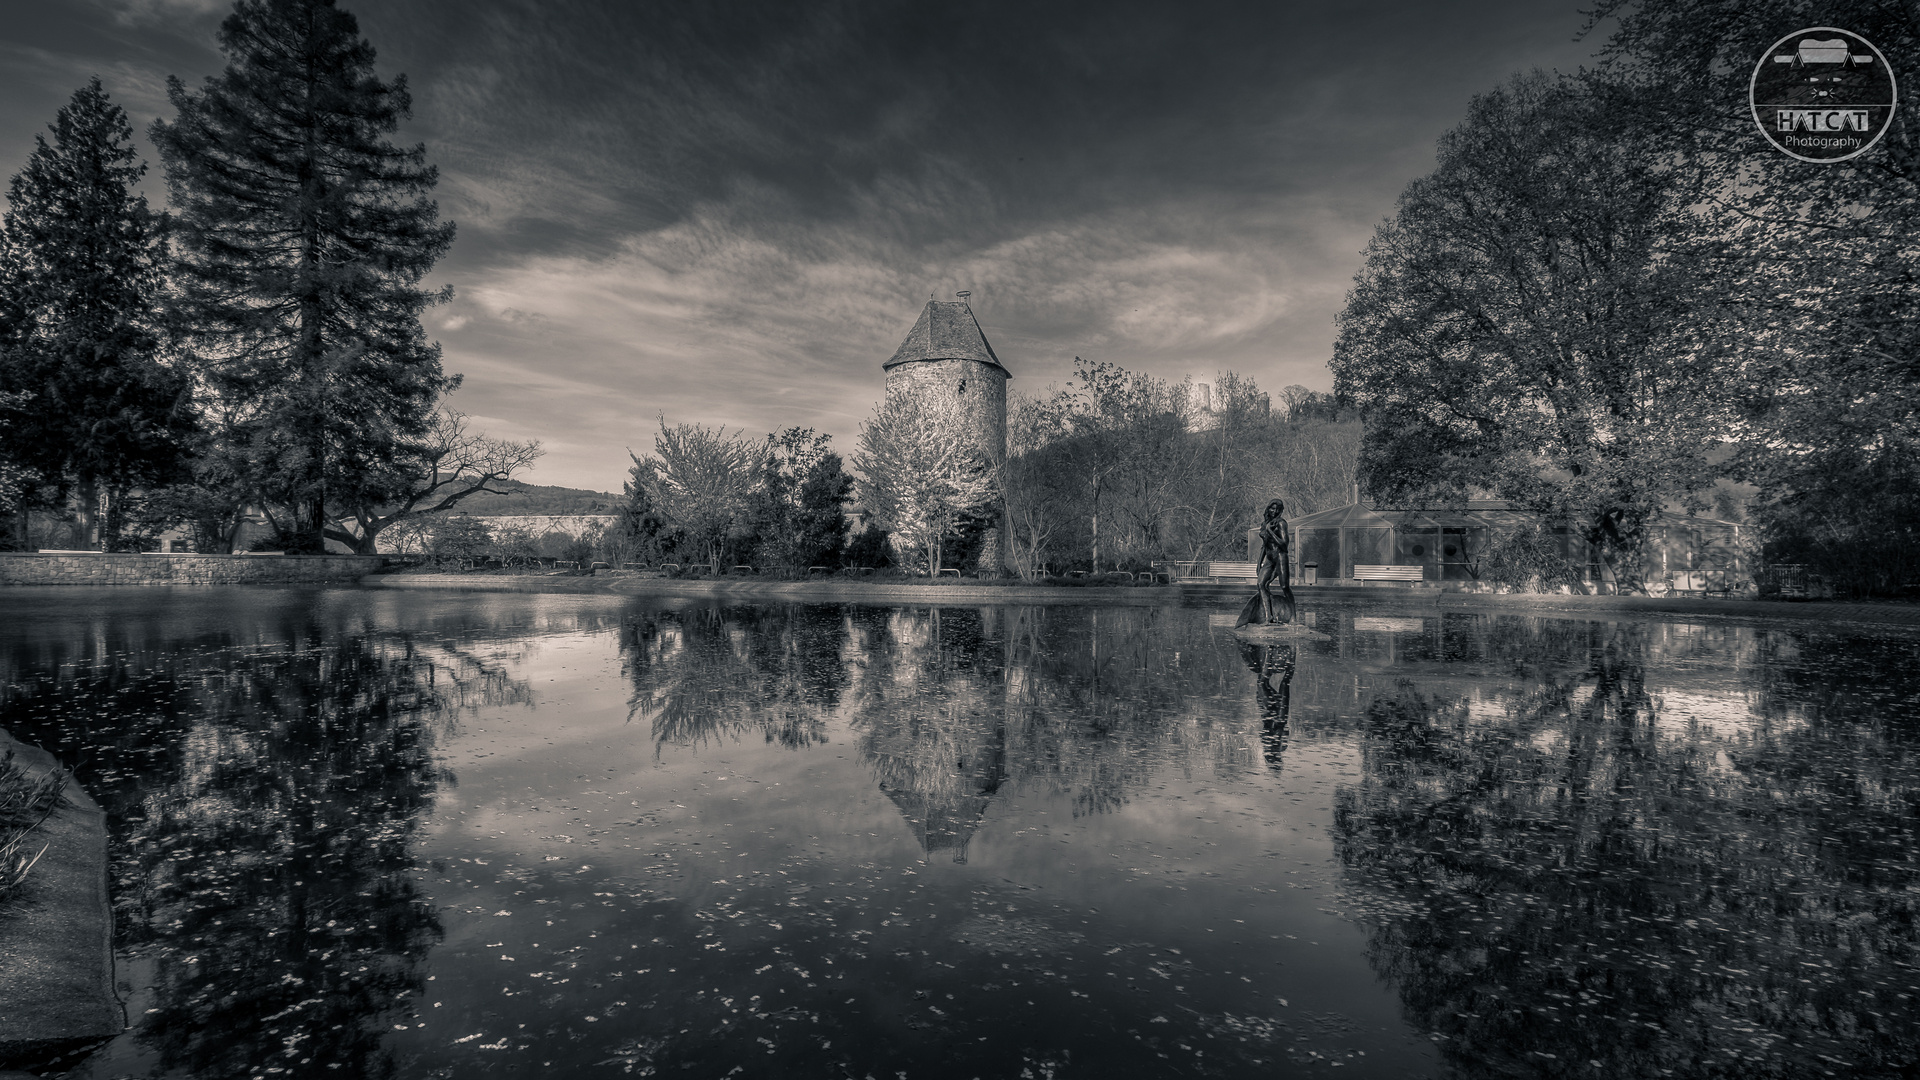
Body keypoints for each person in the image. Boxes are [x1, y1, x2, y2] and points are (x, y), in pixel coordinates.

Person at [1236, 499, 1295, 627]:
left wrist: (1270, 532)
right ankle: (1269, 617)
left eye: (1277, 509)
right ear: (1268, 508)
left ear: (1281, 511)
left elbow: (1284, 545)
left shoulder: (1281, 523)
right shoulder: (1265, 524)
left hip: (1280, 557)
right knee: (1261, 584)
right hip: (1269, 559)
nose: (1274, 511)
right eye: (1272, 508)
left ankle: (1293, 616)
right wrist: (1259, 563)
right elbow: (1264, 546)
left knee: (1285, 586)